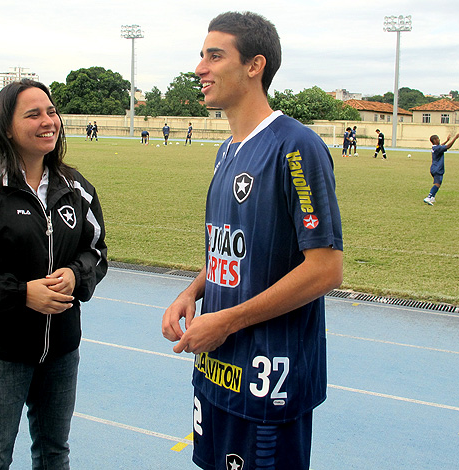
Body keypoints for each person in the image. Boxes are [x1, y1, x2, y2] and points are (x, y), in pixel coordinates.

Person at [161, 12, 343, 470]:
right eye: (201, 56)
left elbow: (325, 269)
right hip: (216, 370)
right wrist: (192, 292)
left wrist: (227, 321)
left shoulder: (296, 146)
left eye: (214, 56)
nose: (200, 68)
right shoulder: (227, 150)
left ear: (254, 66)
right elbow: (228, 249)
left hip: (269, 383)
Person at [0, 79, 108, 470]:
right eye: (33, 114)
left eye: (50, 111)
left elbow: (96, 253)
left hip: (61, 350)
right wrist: (21, 294)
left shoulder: (76, 188)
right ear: (7, 126)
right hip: (0, 353)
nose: (48, 121)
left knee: (53, 451)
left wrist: (75, 276)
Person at [424, 132, 459, 205]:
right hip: (438, 169)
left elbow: (441, 146)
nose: (439, 140)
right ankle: (429, 197)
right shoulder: (438, 148)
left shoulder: (435, 147)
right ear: (435, 140)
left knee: (438, 182)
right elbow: (447, 147)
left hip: (433, 168)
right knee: (437, 184)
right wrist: (455, 138)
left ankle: (432, 197)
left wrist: (447, 140)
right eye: (438, 139)